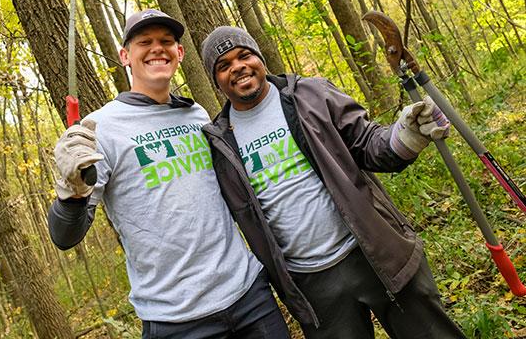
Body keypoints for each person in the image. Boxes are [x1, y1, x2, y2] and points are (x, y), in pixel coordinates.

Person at [200, 26, 467, 339]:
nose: (238, 67)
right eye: (224, 65)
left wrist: (406, 136)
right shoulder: (219, 143)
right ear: (216, 79)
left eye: (244, 55)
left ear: (258, 58)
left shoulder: (310, 94)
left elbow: (368, 143)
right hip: (313, 285)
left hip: (374, 251)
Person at [48, 10, 290, 339]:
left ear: (180, 53)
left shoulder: (196, 114)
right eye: (144, 42)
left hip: (250, 297)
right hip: (176, 321)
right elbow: (65, 237)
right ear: (125, 56)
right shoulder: (100, 129)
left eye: (166, 42)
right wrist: (72, 194)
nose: (157, 49)